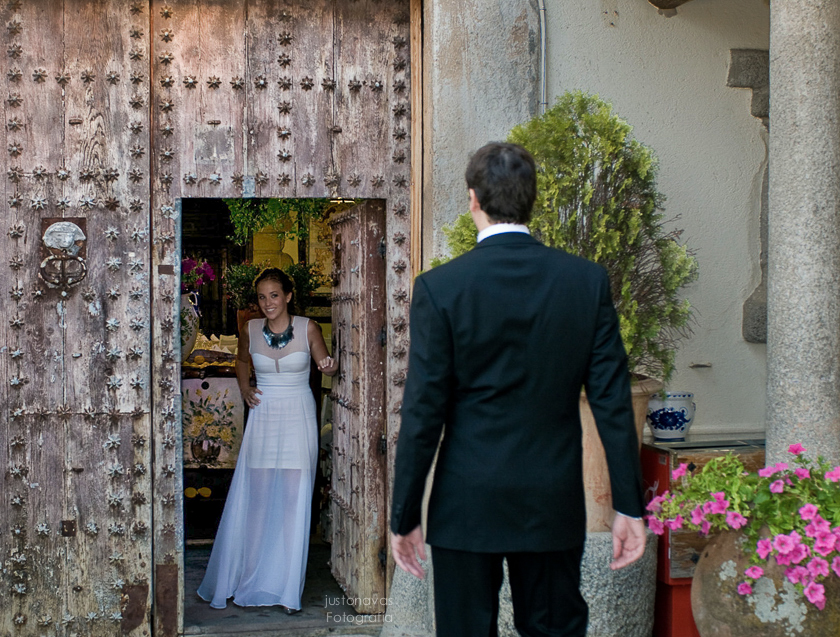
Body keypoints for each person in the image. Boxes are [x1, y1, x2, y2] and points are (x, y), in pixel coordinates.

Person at [390, 142, 647, 637]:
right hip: (550, 502)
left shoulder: (441, 288)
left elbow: (422, 413)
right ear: (532, 200)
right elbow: (612, 402)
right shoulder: (585, 281)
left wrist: (404, 515)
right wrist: (629, 506)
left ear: (472, 201)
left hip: (466, 502)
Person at [198, 268, 338, 613]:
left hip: (297, 415)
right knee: (258, 497)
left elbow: (324, 364)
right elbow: (242, 360)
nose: (268, 303)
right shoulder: (250, 328)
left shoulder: (308, 327)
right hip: (263, 415)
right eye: (262, 297)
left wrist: (329, 366)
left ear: (288, 296)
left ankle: (286, 586)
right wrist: (244, 388)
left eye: (274, 295)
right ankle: (251, 575)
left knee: (294, 498)